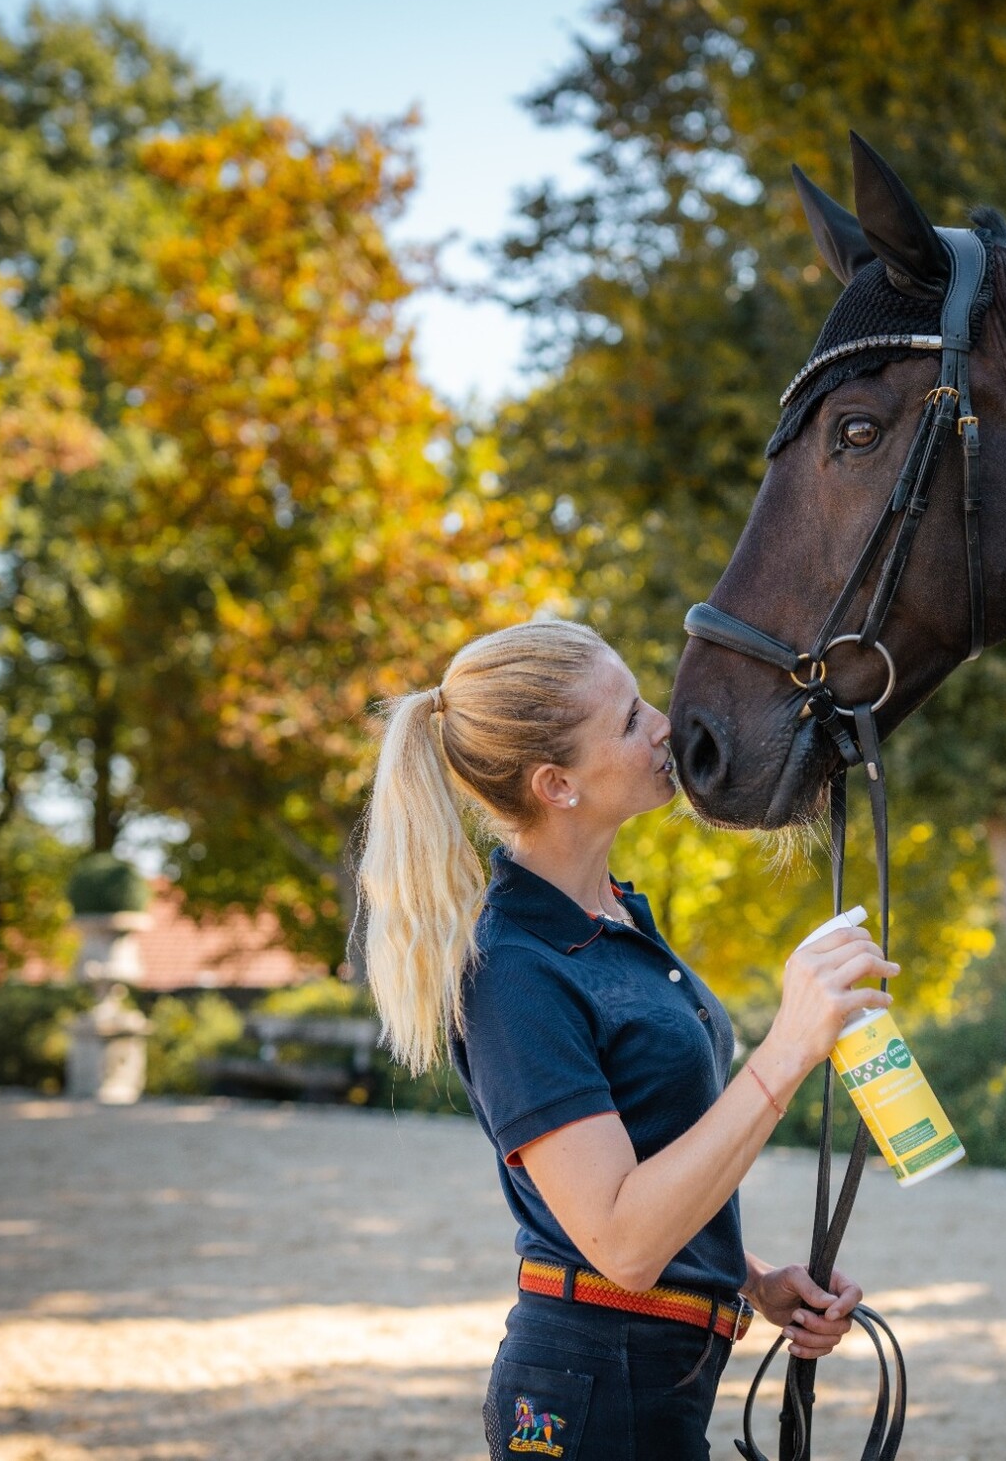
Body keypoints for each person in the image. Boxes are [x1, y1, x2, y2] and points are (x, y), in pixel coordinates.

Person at [357, 619, 896, 1460]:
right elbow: (621, 1240)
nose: (663, 725)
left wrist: (750, 1281)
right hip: (588, 1398)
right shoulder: (513, 970)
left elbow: (642, 1160)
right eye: (627, 719)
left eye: (643, 698)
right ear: (557, 784)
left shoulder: (614, 919)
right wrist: (789, 1047)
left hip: (654, 1381)